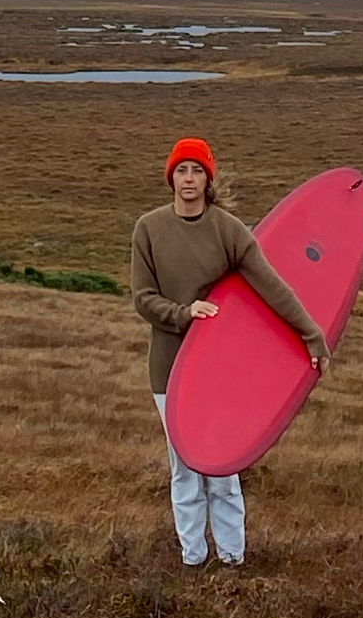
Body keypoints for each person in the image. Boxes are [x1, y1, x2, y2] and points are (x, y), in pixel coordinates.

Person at [127, 134, 328, 569]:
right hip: (169, 371)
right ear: (170, 177)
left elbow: (271, 285)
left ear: (208, 178)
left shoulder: (227, 230)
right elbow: (143, 298)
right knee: (184, 471)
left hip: (219, 372)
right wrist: (184, 314)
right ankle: (193, 559)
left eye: (197, 170)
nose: (189, 179)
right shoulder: (149, 228)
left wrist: (310, 333)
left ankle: (233, 560)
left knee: (223, 470)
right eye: (182, 170)